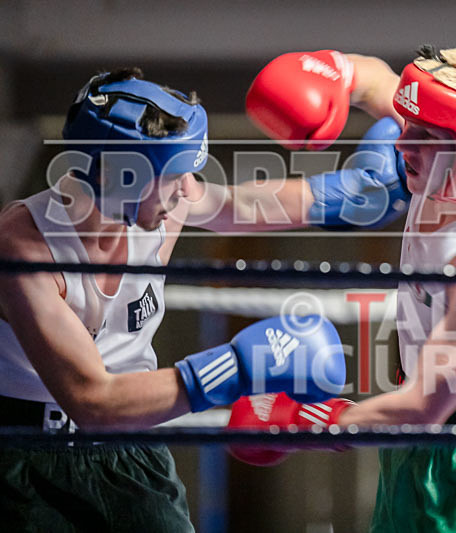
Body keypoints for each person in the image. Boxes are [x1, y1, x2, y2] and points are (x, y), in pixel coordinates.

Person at [0, 60, 407, 532]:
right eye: (174, 177)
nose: (187, 192)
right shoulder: (23, 248)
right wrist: (234, 367)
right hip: (23, 459)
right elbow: (93, 400)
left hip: (131, 450)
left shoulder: (162, 202)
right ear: (116, 177)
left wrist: (351, 193)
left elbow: (240, 205)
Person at [228, 45, 456, 532]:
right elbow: (374, 79)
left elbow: (425, 406)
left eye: (423, 136)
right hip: (415, 439)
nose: (402, 146)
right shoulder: (447, 148)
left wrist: (307, 423)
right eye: (405, 124)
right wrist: (333, 72)